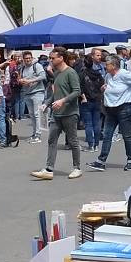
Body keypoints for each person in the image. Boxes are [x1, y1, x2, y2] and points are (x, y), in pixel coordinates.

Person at [31, 46, 82, 180]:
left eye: (53, 58)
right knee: (51, 140)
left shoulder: (70, 72)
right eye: (50, 58)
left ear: (61, 58)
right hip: (56, 114)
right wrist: (46, 103)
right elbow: (56, 94)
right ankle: (49, 169)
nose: (51, 60)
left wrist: (63, 101)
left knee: (73, 141)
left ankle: (77, 168)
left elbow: (77, 91)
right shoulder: (57, 73)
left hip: (70, 113)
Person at [88, 57, 131, 172]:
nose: (105, 66)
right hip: (111, 109)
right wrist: (104, 88)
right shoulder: (108, 76)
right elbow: (108, 87)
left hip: (124, 108)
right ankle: (101, 161)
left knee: (126, 135)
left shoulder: (124, 74)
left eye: (107, 64)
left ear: (114, 66)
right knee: (107, 135)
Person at [76, 48, 105, 153]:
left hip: (86, 101)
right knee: (96, 123)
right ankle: (96, 145)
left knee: (88, 124)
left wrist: (83, 97)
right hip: (97, 100)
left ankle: (90, 145)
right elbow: (103, 85)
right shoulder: (98, 74)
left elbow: (79, 87)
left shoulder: (82, 74)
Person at [18, 51, 46, 143]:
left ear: (32, 58)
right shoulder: (22, 68)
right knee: (32, 115)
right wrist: (22, 81)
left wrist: (30, 81)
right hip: (27, 93)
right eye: (26, 58)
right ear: (23, 59)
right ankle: (34, 134)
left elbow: (43, 76)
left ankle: (38, 135)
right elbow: (21, 79)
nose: (28, 60)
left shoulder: (37, 66)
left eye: (29, 58)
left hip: (37, 92)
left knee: (37, 114)